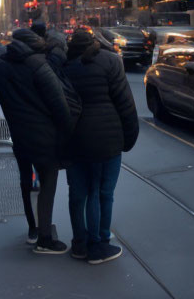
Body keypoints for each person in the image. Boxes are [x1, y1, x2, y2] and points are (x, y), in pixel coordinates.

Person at [62, 28, 139, 264]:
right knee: (101, 192)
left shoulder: (64, 67)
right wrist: (129, 139)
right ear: (94, 42)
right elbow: (125, 103)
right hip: (107, 139)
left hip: (74, 139)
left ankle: (79, 243)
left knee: (77, 194)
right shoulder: (110, 61)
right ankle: (98, 244)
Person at [0, 28, 74, 254]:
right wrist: (67, 136)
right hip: (44, 136)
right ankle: (45, 238)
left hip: (19, 135)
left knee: (26, 181)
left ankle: (33, 229)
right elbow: (60, 106)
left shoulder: (0, 65)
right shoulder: (38, 65)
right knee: (48, 182)